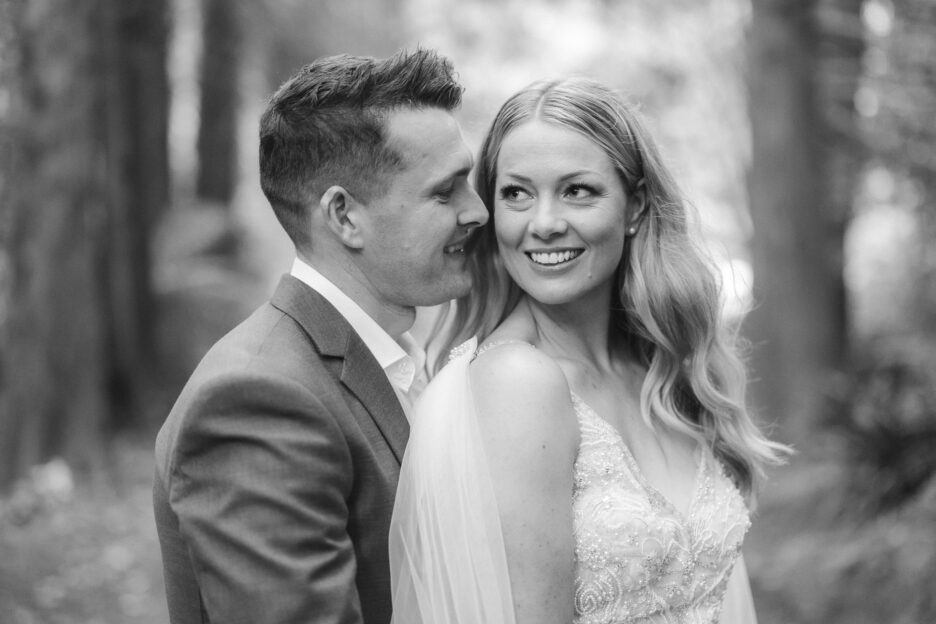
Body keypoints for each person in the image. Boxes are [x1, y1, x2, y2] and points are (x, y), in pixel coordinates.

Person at [389, 77, 790, 624]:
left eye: (578, 190)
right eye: (516, 193)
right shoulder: (516, 381)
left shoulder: (657, 367)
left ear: (634, 208)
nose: (545, 223)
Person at [153, 48, 487, 624]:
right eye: (445, 191)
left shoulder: (399, 360)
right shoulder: (257, 399)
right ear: (345, 216)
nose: (477, 210)